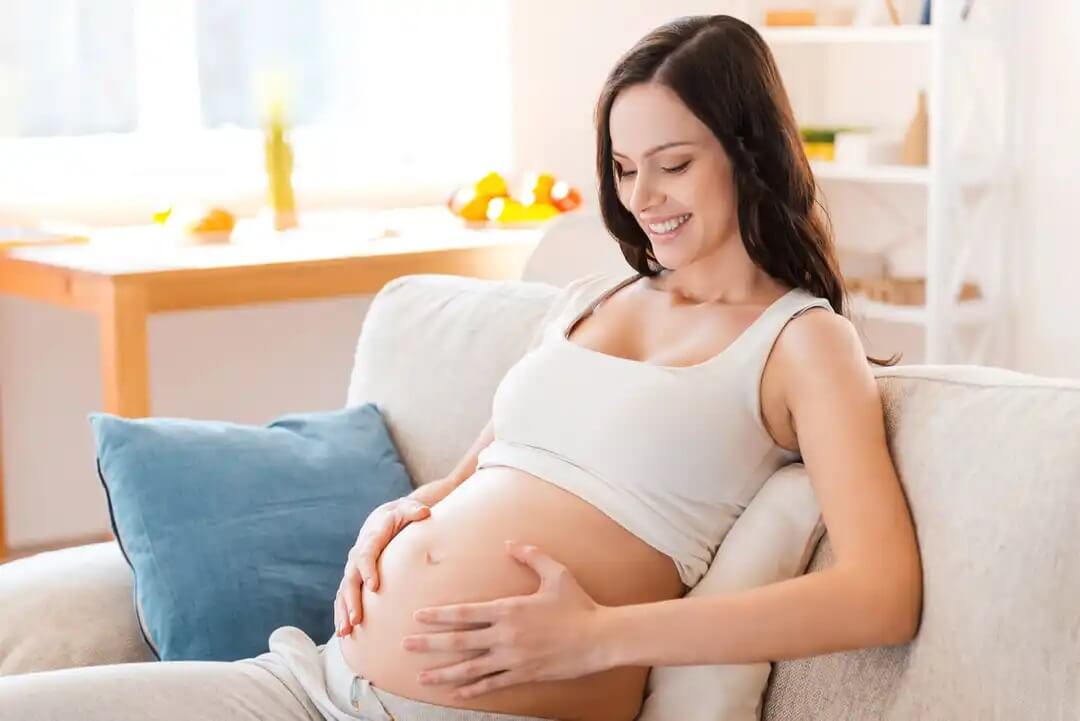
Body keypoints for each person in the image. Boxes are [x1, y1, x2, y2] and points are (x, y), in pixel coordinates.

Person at [0, 14, 922, 721]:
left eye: (673, 165)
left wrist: (603, 634)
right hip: (317, 677)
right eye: (625, 166)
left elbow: (882, 592)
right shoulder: (588, 299)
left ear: (747, 153)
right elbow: (495, 459)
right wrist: (403, 513)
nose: (643, 198)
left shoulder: (801, 343)